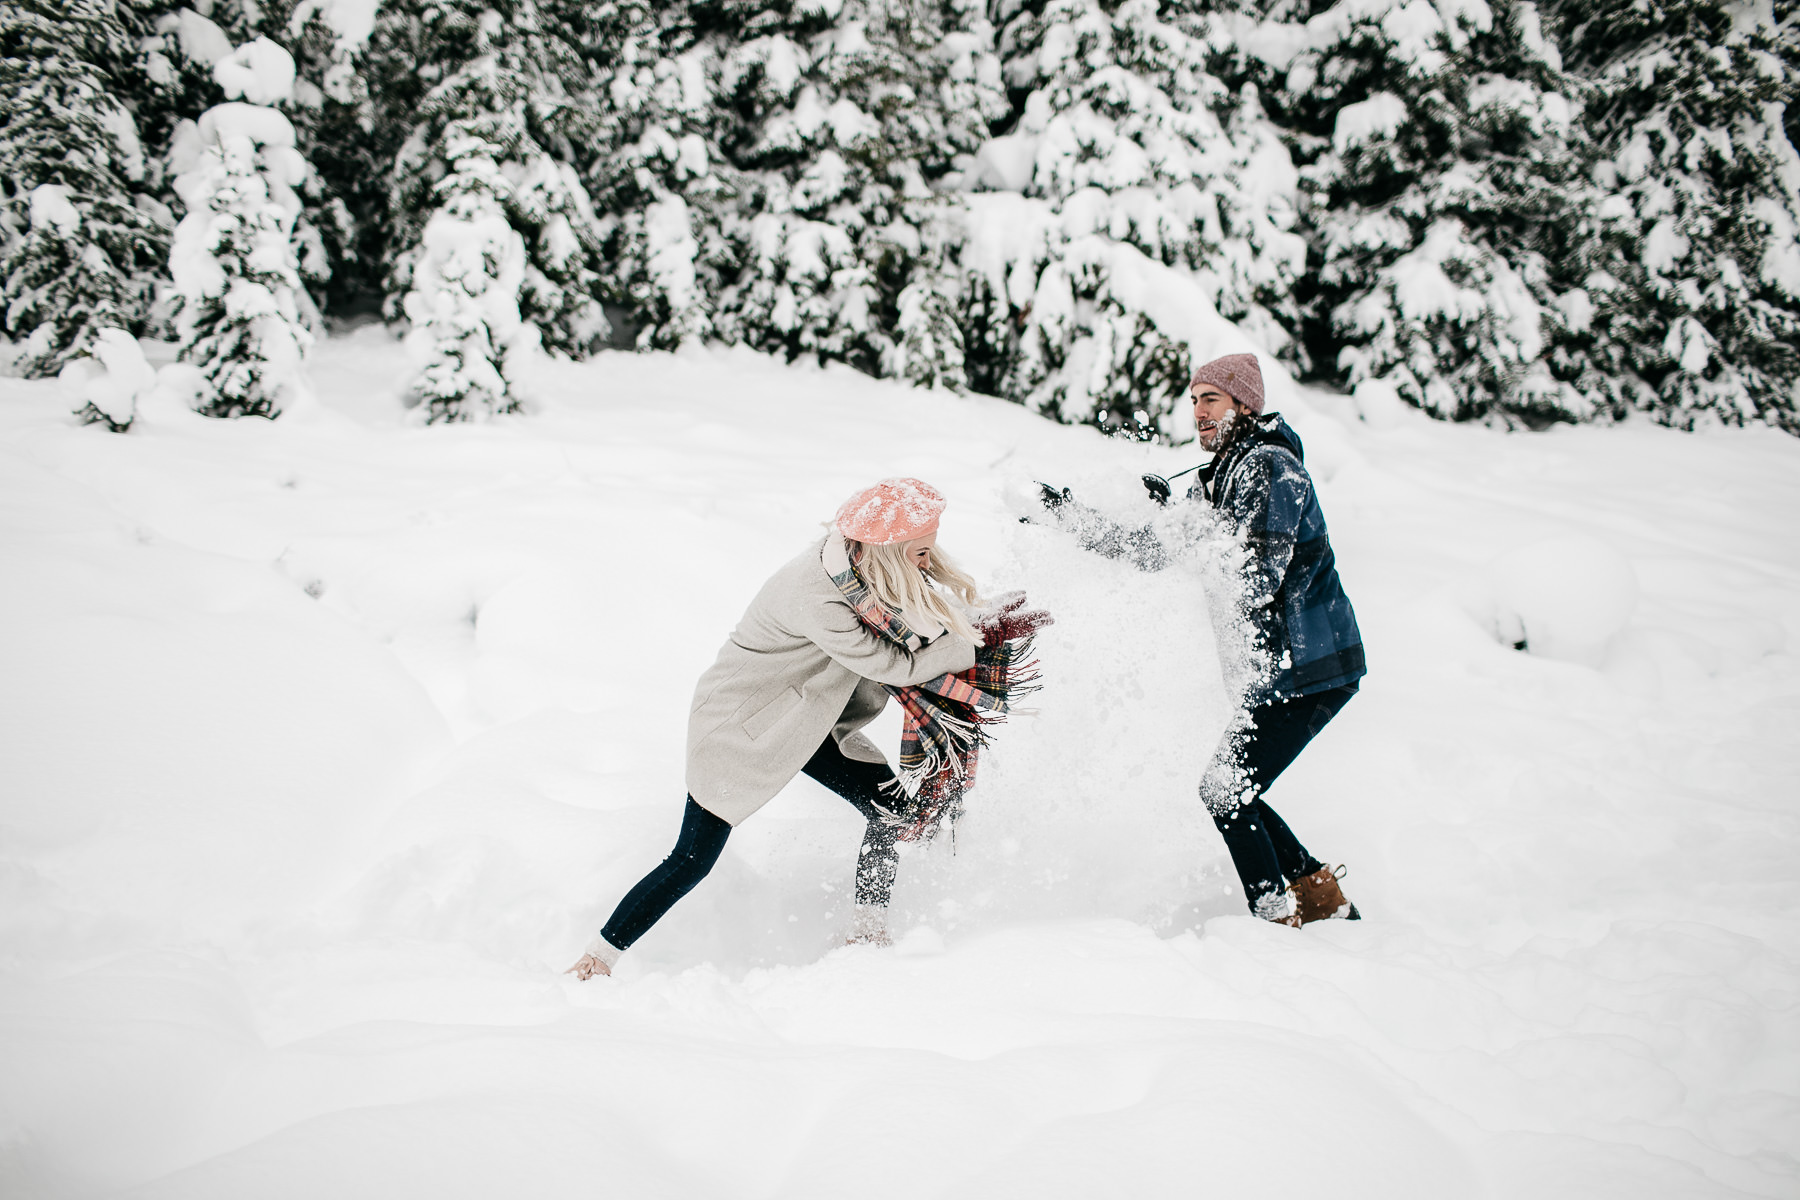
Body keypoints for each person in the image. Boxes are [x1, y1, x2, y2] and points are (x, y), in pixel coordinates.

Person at [566, 478, 1051, 979]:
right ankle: (596, 959)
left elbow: (920, 616)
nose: (928, 563)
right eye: (921, 553)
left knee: (889, 814)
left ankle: (866, 934)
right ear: (890, 550)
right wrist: (977, 641)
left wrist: (979, 621)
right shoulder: (818, 596)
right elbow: (894, 664)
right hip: (743, 727)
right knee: (692, 858)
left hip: (809, 719)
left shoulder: (863, 569)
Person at [1036, 353, 1365, 927]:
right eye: (1193, 400)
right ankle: (1322, 900)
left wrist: (1190, 528)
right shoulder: (1223, 475)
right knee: (1234, 789)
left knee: (1226, 790)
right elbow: (1154, 548)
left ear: (1245, 405)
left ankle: (1274, 914)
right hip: (1280, 670)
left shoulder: (1271, 470)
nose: (1199, 412)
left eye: (1211, 398)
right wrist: (1076, 521)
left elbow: (1254, 577)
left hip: (1314, 667)